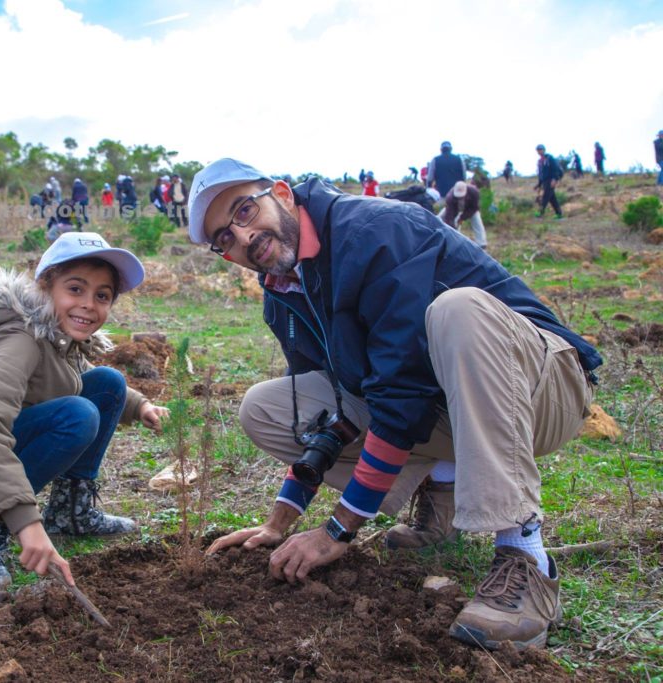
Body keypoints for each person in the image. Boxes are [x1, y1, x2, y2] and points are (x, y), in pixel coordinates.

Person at [186, 158, 600, 652]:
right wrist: (280, 520)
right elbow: (337, 413)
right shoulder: (283, 294)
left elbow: (402, 388)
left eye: (245, 210)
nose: (243, 235)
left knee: (458, 311)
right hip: (444, 406)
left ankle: (524, 555)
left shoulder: (376, 229)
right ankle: (441, 493)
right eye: (224, 238)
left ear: (281, 193)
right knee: (265, 407)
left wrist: (337, 530)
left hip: (542, 388)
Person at [0, 231, 168, 589]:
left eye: (102, 295)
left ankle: (70, 513)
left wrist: (138, 405)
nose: (88, 304)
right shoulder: (18, 340)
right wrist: (24, 522)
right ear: (46, 286)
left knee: (107, 383)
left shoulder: (56, 335)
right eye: (75, 289)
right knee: (78, 416)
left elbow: (74, 379)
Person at [440, 181, 487, 248]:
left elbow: (474, 208)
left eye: (461, 196)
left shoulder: (474, 192)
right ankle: (452, 240)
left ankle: (482, 244)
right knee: (441, 218)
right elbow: (449, 215)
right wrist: (452, 226)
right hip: (454, 207)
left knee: (477, 221)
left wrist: (462, 217)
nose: (460, 198)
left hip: (470, 208)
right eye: (458, 196)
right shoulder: (450, 197)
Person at [535, 144, 563, 219]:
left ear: (544, 150)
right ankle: (559, 213)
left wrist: (554, 179)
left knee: (545, 197)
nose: (539, 151)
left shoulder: (550, 158)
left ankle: (540, 212)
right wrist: (539, 185)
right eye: (538, 150)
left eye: (541, 149)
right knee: (552, 198)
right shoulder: (540, 161)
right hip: (545, 181)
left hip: (550, 180)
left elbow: (555, 169)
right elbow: (541, 174)